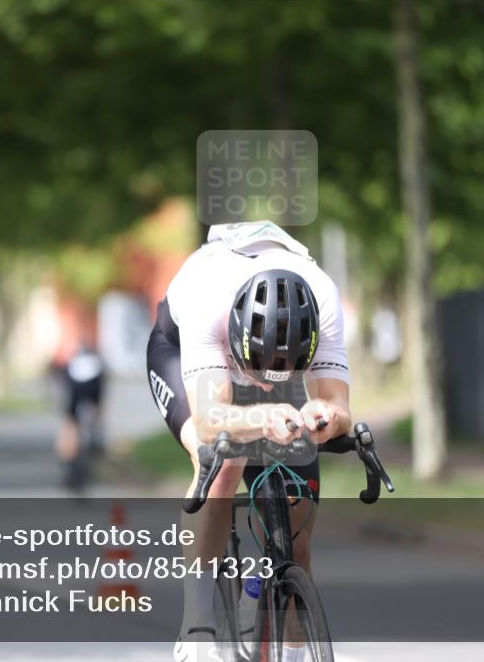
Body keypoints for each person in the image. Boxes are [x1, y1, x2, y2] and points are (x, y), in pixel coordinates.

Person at [147, 221, 350, 662]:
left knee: (296, 537)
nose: (266, 381)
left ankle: (272, 603)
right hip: (186, 353)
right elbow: (208, 421)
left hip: (267, 358)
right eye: (262, 368)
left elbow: (338, 405)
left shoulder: (324, 297)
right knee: (223, 462)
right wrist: (260, 416)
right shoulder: (207, 296)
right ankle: (196, 625)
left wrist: (326, 416)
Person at [55, 342, 105, 490]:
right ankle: (89, 449)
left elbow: (67, 390)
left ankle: (67, 456)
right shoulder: (95, 364)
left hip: (75, 396)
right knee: (87, 427)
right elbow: (100, 391)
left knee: (70, 429)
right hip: (91, 394)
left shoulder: (73, 364)